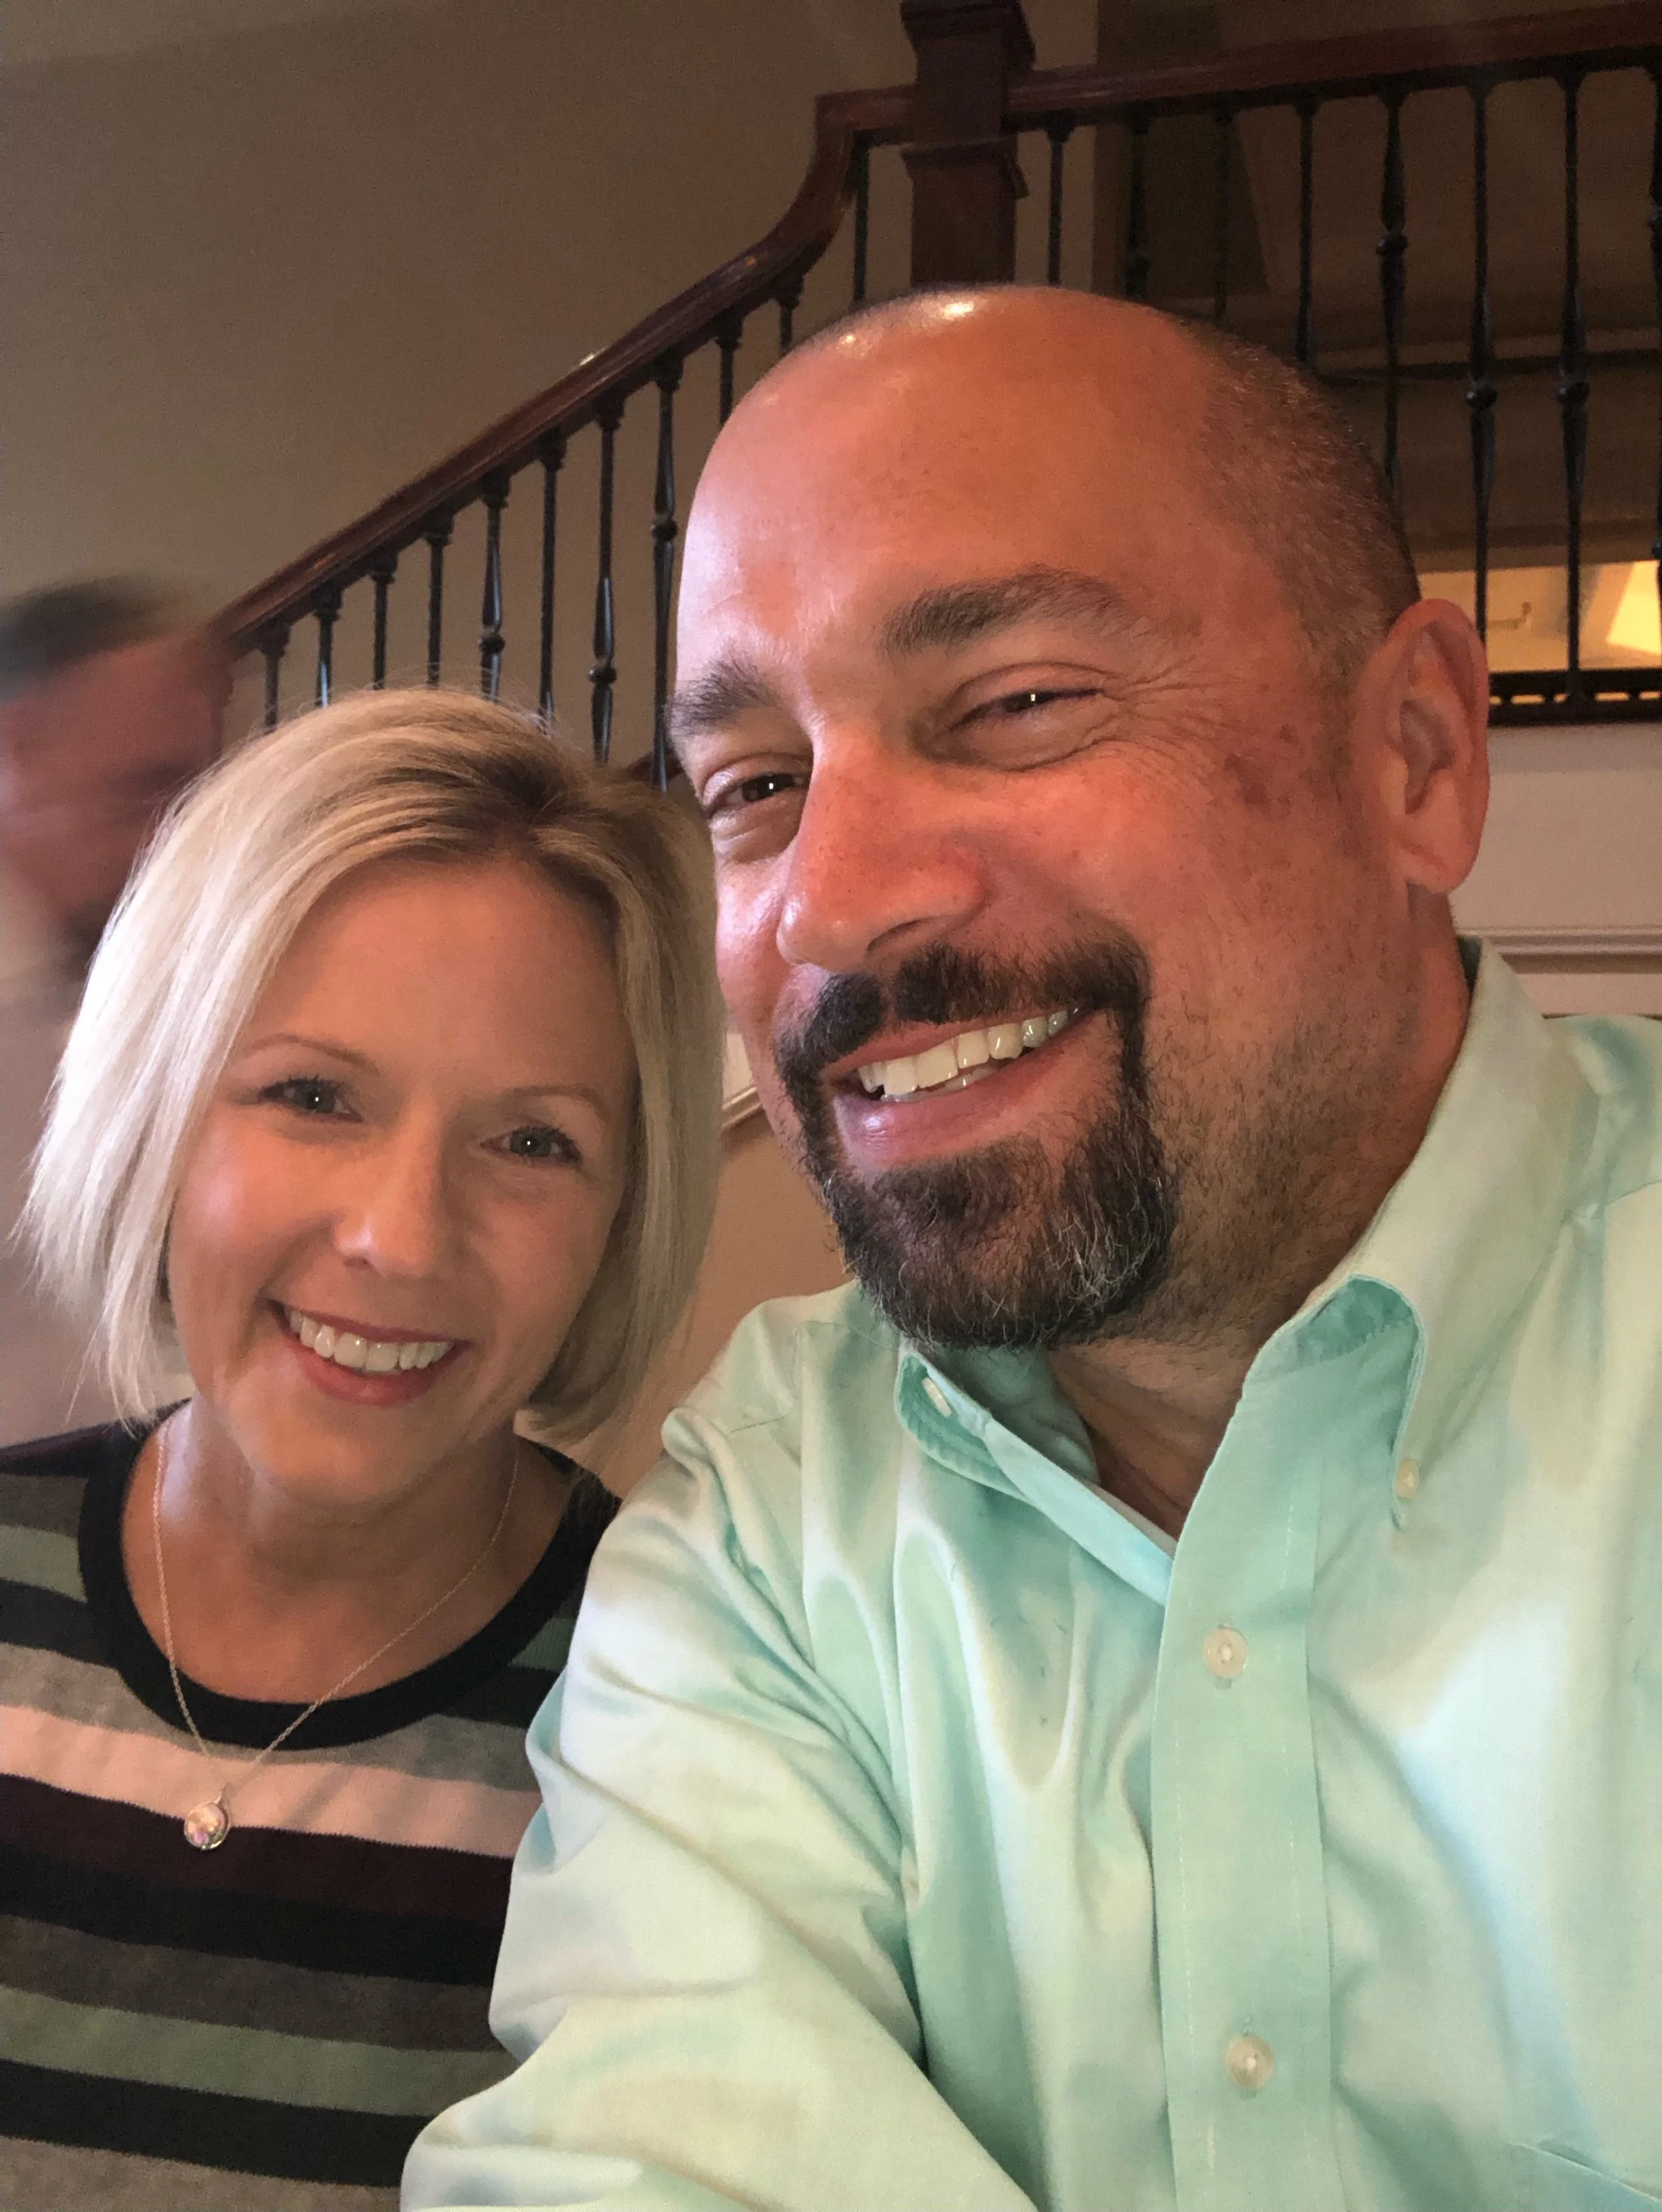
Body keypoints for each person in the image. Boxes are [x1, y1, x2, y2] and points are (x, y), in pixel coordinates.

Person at [407, 290, 1662, 2212]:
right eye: (754, 785)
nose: (827, 900)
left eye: (1013, 705)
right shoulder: (772, 1514)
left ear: (1411, 754)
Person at [0, 689, 722, 2209]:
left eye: (531, 1140)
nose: (397, 1236)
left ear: (618, 1217)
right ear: (159, 1113)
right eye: (310, 1094)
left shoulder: (685, 1721)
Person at [1, 581, 229, 1443]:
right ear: (17, 746)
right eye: (143, 791)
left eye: (194, 793)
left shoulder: (126, 991)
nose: (175, 837)